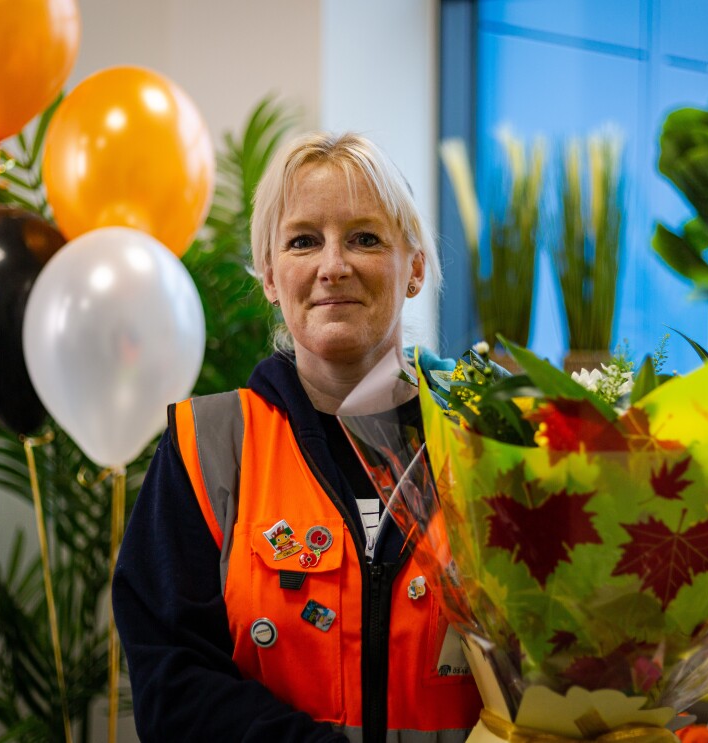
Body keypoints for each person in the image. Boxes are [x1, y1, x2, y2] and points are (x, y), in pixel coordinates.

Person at [112, 131, 482, 742]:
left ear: (415, 269)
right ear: (269, 276)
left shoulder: (486, 441)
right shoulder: (205, 450)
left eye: (364, 238)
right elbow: (172, 686)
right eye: (303, 241)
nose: (333, 266)